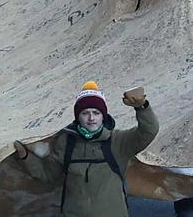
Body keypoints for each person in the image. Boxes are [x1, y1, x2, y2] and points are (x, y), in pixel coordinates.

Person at [34, 87, 153, 217]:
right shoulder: (66, 142)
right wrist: (25, 156)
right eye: (85, 113)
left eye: (96, 113)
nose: (91, 118)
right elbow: (47, 174)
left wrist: (142, 107)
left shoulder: (117, 141)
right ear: (77, 116)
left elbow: (148, 132)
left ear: (103, 116)